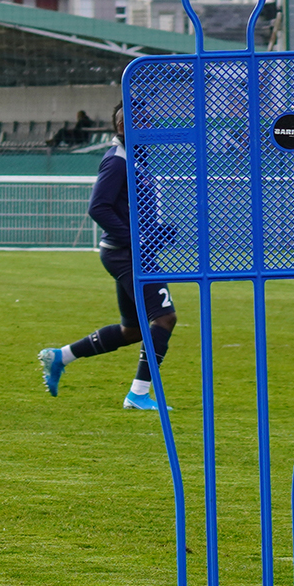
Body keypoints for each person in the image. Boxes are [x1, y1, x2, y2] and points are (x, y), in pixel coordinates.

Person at [37, 101, 176, 410]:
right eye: (139, 121)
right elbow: (98, 207)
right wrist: (136, 240)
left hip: (126, 253)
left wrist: (157, 232)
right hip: (127, 255)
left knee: (133, 330)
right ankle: (138, 394)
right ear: (121, 127)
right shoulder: (117, 161)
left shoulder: (136, 157)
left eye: (148, 120)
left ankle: (61, 356)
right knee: (165, 318)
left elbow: (128, 209)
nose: (147, 126)